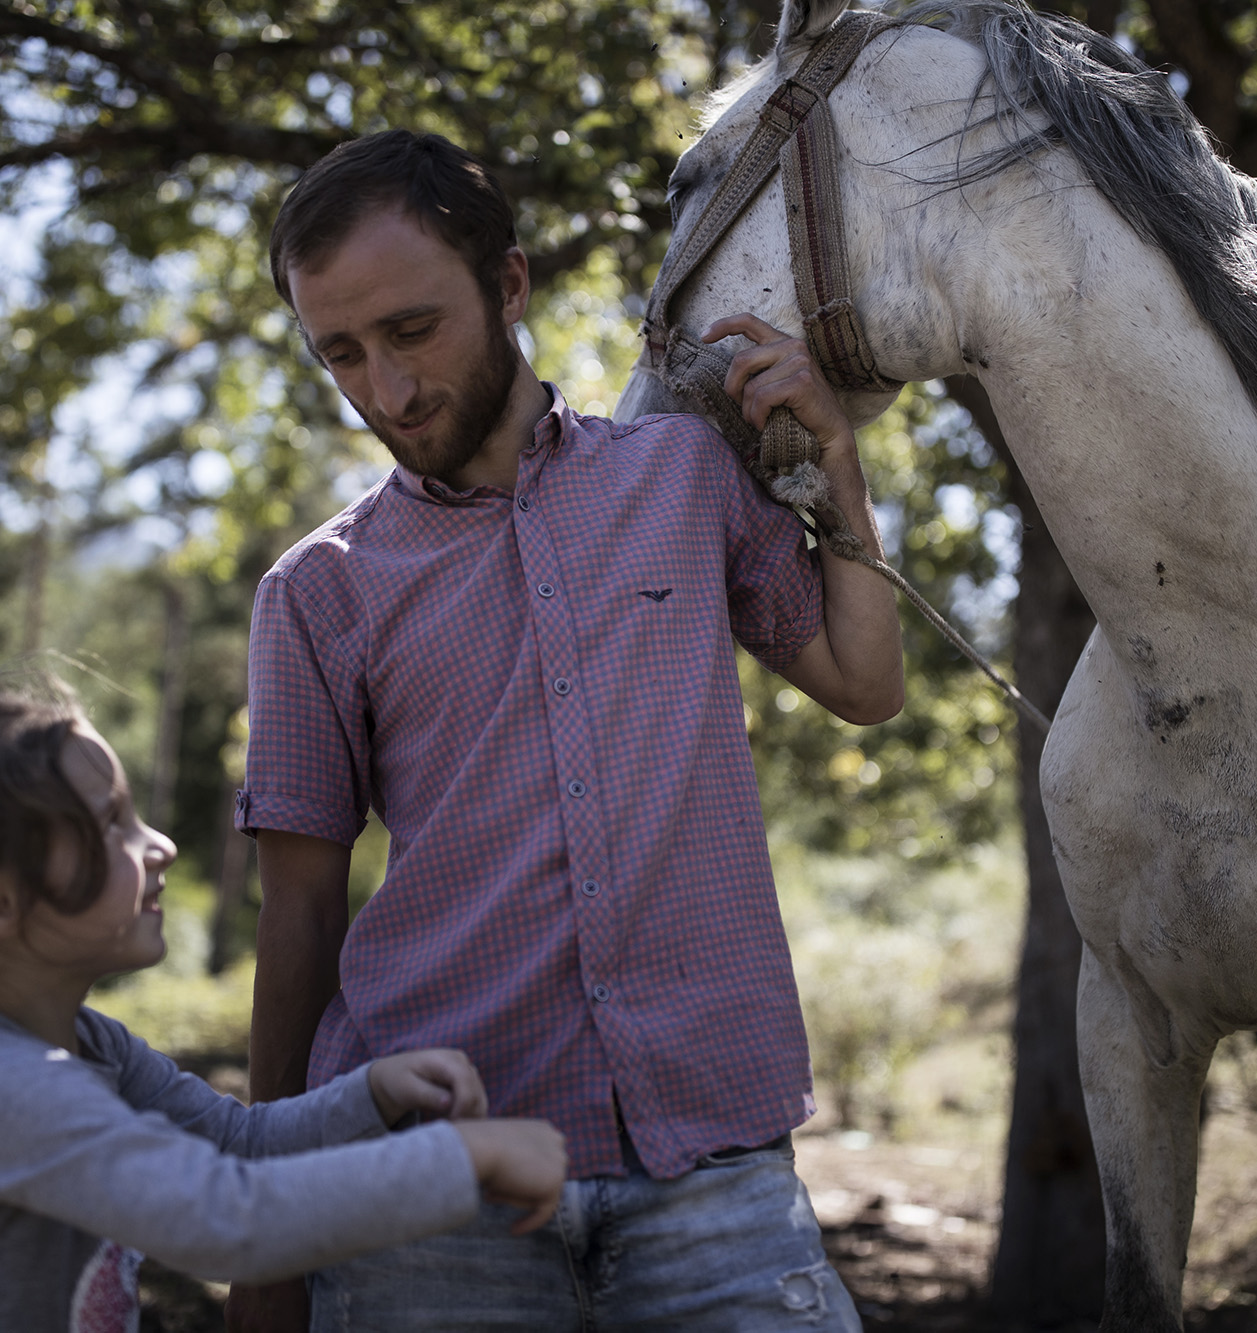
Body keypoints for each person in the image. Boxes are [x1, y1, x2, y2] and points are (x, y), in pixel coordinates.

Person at [230, 129, 905, 1331]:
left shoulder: (685, 475)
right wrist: (269, 1233)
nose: (387, 391)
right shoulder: (313, 593)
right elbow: (299, 916)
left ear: (508, 285)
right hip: (431, 1182)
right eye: (340, 353)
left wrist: (839, 465)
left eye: (411, 330)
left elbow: (864, 681)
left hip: (709, 1148)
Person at [0, 689, 566, 1333]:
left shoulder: (82, 1044)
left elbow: (238, 1146)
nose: (161, 845)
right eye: (113, 823)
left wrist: (373, 1091)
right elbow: (229, 1220)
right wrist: (465, 1160)